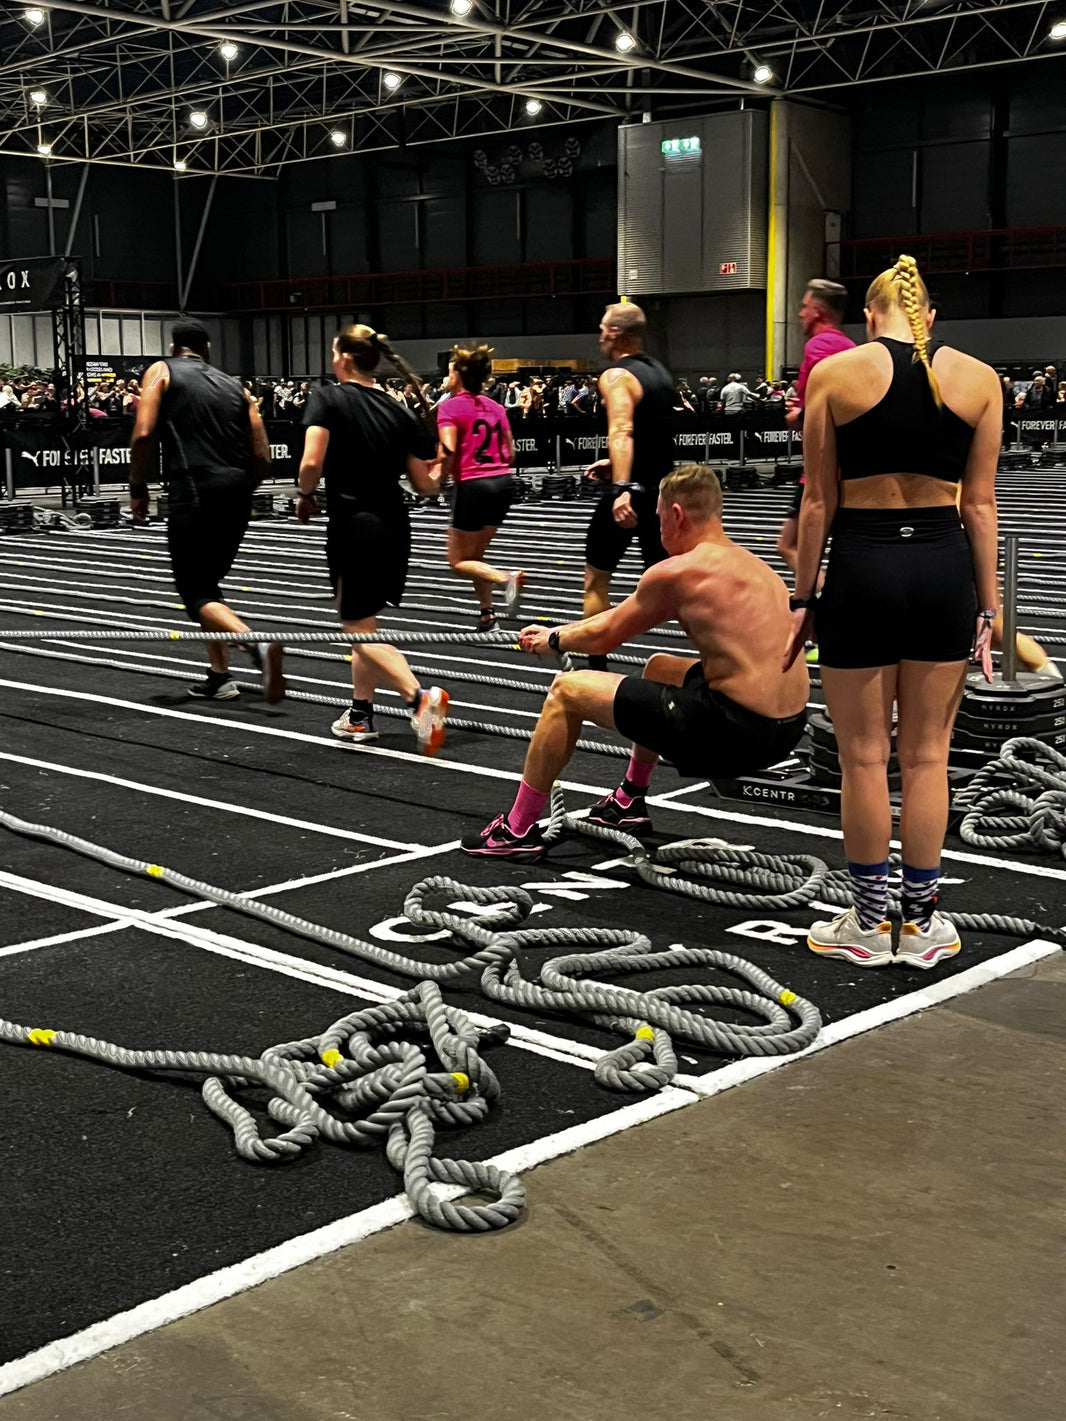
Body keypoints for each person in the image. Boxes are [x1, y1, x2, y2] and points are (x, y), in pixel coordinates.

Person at [784, 253, 1000, 971]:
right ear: (929, 317)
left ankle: (870, 924)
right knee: (929, 756)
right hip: (943, 569)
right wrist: (990, 608)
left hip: (863, 569)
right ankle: (925, 922)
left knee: (864, 758)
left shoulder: (835, 374)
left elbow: (817, 500)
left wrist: (804, 597)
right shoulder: (980, 379)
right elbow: (980, 504)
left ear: (870, 317)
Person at [464, 465, 809, 859]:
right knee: (661, 666)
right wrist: (560, 630)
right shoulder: (754, 565)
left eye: (659, 519)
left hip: (736, 734)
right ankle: (629, 801)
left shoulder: (679, 571)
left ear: (676, 514)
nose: (658, 530)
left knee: (566, 691)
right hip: (785, 730)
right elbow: (616, 617)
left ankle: (517, 830)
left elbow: (607, 635)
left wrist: (554, 639)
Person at [296, 324, 450, 754]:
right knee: (365, 622)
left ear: (344, 358)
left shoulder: (327, 398)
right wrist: (445, 467)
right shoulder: (398, 408)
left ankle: (418, 697)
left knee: (355, 627)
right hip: (394, 525)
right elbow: (426, 486)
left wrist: (305, 493)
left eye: (333, 352)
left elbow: (311, 461)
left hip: (354, 524)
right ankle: (359, 714)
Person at [129, 317, 284, 703]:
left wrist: (137, 488)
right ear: (208, 348)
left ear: (173, 347)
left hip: (193, 489)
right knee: (209, 587)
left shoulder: (161, 371)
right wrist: (243, 486)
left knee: (194, 590)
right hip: (237, 493)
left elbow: (144, 433)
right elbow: (263, 453)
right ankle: (220, 676)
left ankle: (254, 644)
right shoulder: (235, 385)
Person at [581, 301, 677, 672]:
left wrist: (623, 485)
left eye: (603, 327)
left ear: (616, 333)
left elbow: (622, 429)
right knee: (673, 590)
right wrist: (618, 464)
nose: (600, 334)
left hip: (632, 495)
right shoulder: (660, 373)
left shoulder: (616, 377)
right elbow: (655, 433)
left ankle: (595, 668)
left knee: (596, 582)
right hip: (665, 493)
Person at [436, 345, 525, 631]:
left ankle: (505, 578)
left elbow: (448, 451)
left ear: (459, 375)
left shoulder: (449, 407)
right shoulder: (496, 408)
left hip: (473, 486)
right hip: (502, 485)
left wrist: (437, 478)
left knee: (458, 561)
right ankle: (488, 613)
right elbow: (510, 453)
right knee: (475, 557)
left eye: (449, 371)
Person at [776, 279, 855, 577]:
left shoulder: (820, 345)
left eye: (805, 307)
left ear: (819, 312)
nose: (800, 314)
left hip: (820, 474)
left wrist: (799, 416)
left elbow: (826, 401)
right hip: (843, 470)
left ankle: (818, 603)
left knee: (791, 547)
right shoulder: (850, 347)